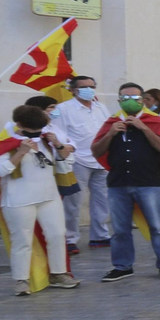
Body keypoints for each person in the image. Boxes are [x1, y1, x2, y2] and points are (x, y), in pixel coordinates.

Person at [91, 82, 160, 282]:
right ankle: (122, 266)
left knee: (158, 226)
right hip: (118, 183)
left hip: (149, 182)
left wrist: (144, 128)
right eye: (125, 98)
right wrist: (111, 133)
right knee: (120, 229)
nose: (130, 101)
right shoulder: (111, 122)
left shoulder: (153, 120)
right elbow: (96, 150)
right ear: (119, 100)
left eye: (135, 98)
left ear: (142, 100)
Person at [0, 105, 78, 294]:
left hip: (49, 196)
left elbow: (66, 164)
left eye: (40, 130)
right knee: (22, 240)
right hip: (18, 200)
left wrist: (59, 146)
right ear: (19, 125)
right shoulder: (7, 142)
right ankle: (22, 280)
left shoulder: (46, 140)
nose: (38, 133)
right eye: (34, 130)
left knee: (57, 234)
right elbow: (0, 170)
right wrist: (20, 152)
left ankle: (59, 273)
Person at [58, 75, 111, 252]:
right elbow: (60, 135)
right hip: (77, 161)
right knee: (73, 202)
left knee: (102, 200)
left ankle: (100, 236)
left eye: (91, 86)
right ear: (72, 90)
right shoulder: (63, 109)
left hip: (101, 160)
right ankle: (69, 238)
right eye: (83, 87)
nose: (89, 89)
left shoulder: (101, 107)